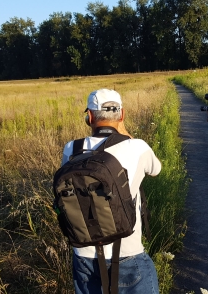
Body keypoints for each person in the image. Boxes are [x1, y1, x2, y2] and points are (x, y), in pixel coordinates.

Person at [61, 88, 162, 294]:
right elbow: (155, 170)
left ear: (89, 117)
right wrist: (126, 133)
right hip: (128, 253)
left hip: (84, 254)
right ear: (122, 115)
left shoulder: (71, 149)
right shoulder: (138, 147)